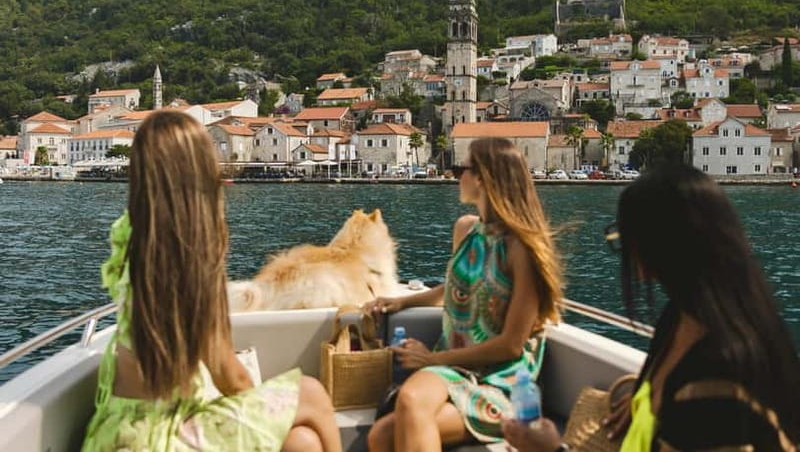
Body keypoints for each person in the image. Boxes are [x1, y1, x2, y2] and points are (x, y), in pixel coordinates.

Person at [82, 110, 342, 452]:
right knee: (310, 393)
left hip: (118, 430)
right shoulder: (187, 259)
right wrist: (264, 404)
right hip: (159, 438)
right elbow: (228, 373)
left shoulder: (135, 238)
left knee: (301, 442)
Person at [502, 164, 799, 452]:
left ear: (657, 243)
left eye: (625, 235)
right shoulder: (684, 318)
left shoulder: (716, 377)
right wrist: (647, 395)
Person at [364, 137, 563, 451]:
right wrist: (403, 301)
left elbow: (511, 345)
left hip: (501, 382)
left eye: (461, 169)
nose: (456, 176)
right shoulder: (466, 230)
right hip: (455, 368)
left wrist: (432, 358)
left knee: (403, 412)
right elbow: (459, 288)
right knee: (383, 433)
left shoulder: (522, 248)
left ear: (482, 177)